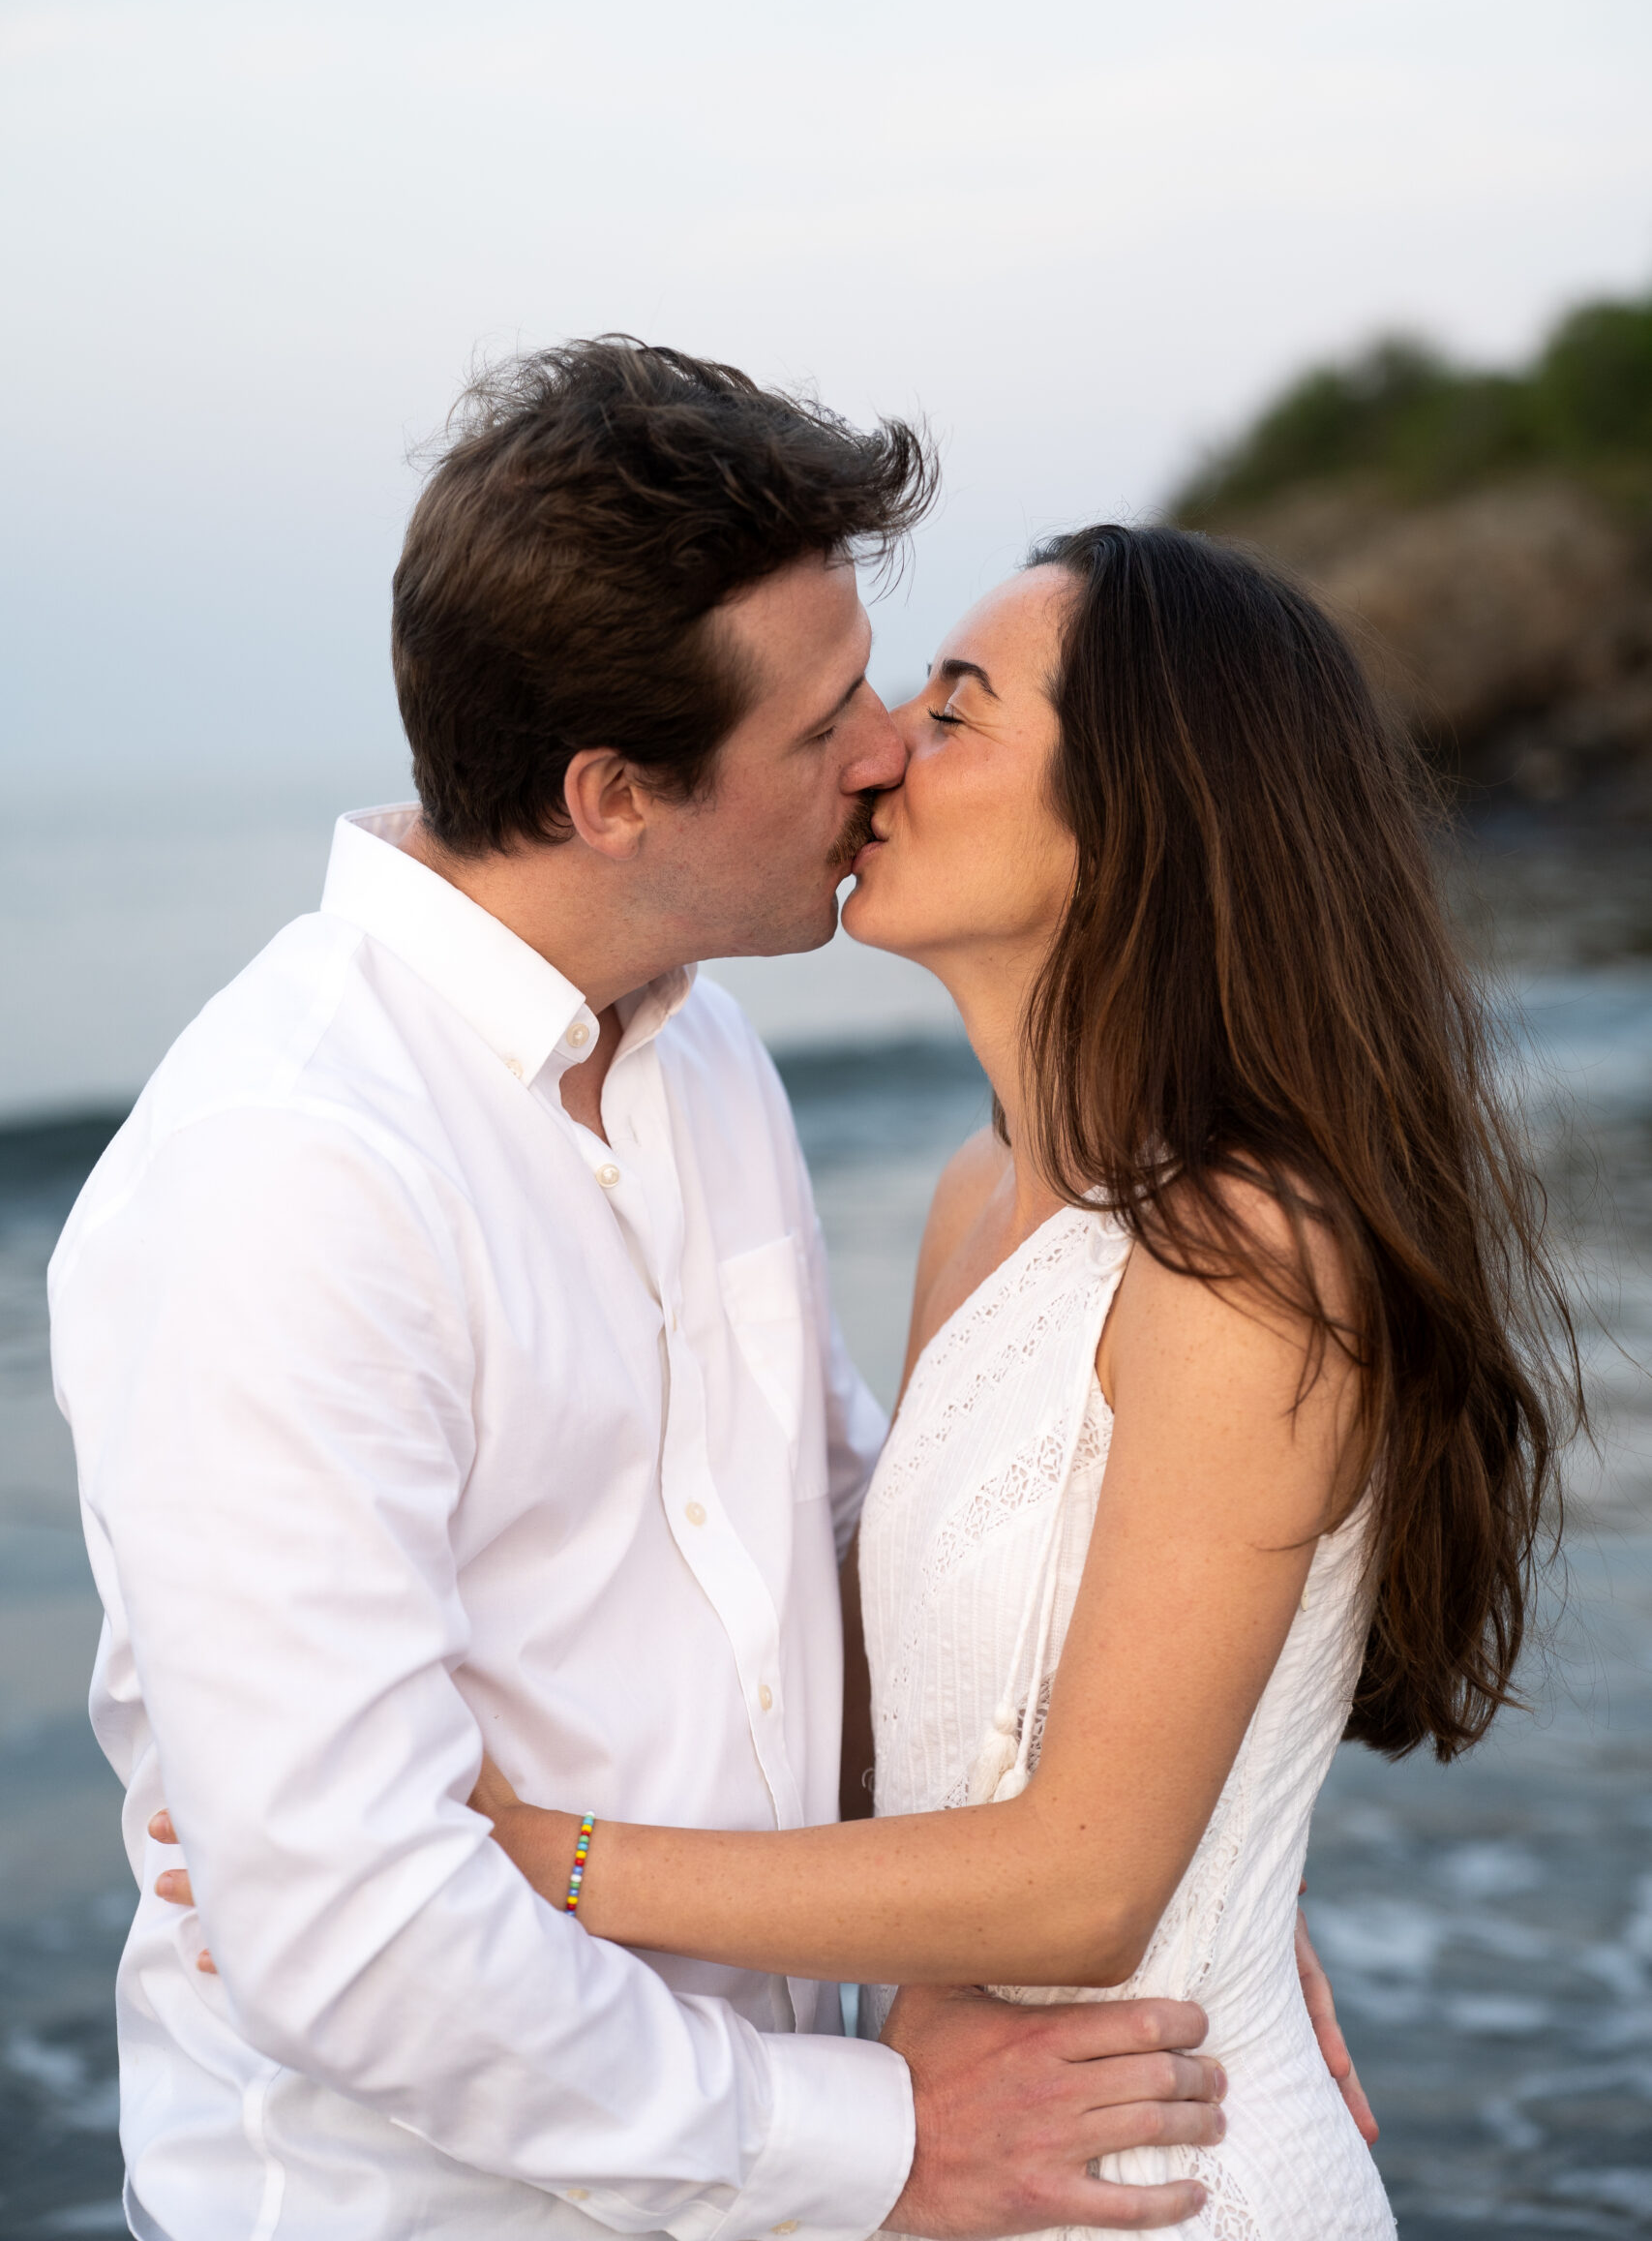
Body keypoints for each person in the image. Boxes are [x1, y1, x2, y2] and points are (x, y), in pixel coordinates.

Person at [53, 346, 1358, 2241]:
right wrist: (873, 2139)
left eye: (902, 691)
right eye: (826, 717)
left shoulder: (699, 1057)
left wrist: (1176, 1838)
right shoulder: (290, 1169)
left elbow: (859, 1563)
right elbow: (354, 1930)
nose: (884, 749)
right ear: (611, 795)